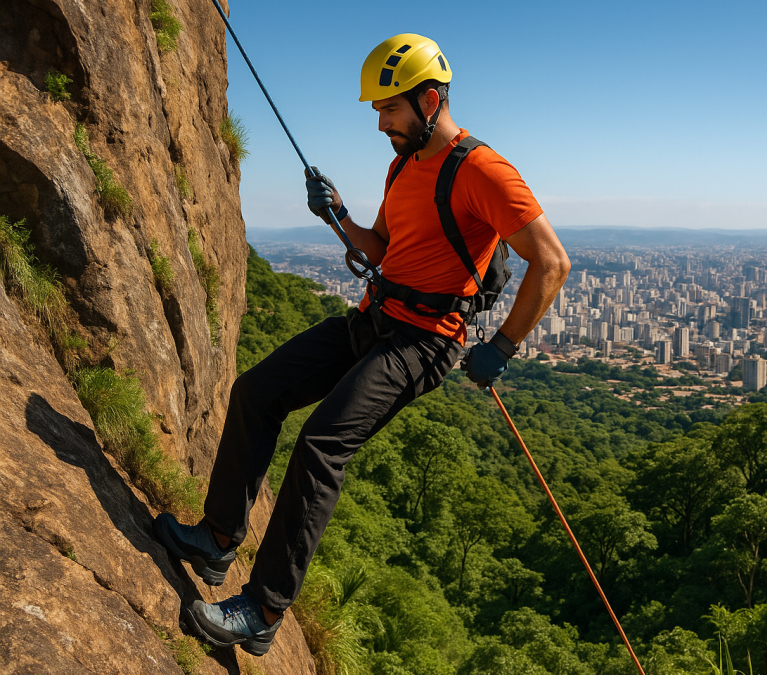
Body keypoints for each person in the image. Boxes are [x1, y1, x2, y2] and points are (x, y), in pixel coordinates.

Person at [153, 33, 570, 656]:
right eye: (378, 113)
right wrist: (339, 216)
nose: (381, 125)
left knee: (322, 444)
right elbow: (382, 251)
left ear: (429, 99)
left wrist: (504, 346)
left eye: (390, 110)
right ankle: (216, 541)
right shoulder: (404, 165)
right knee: (256, 392)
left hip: (424, 342)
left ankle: (264, 609)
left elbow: (552, 262)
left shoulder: (482, 170)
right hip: (376, 317)